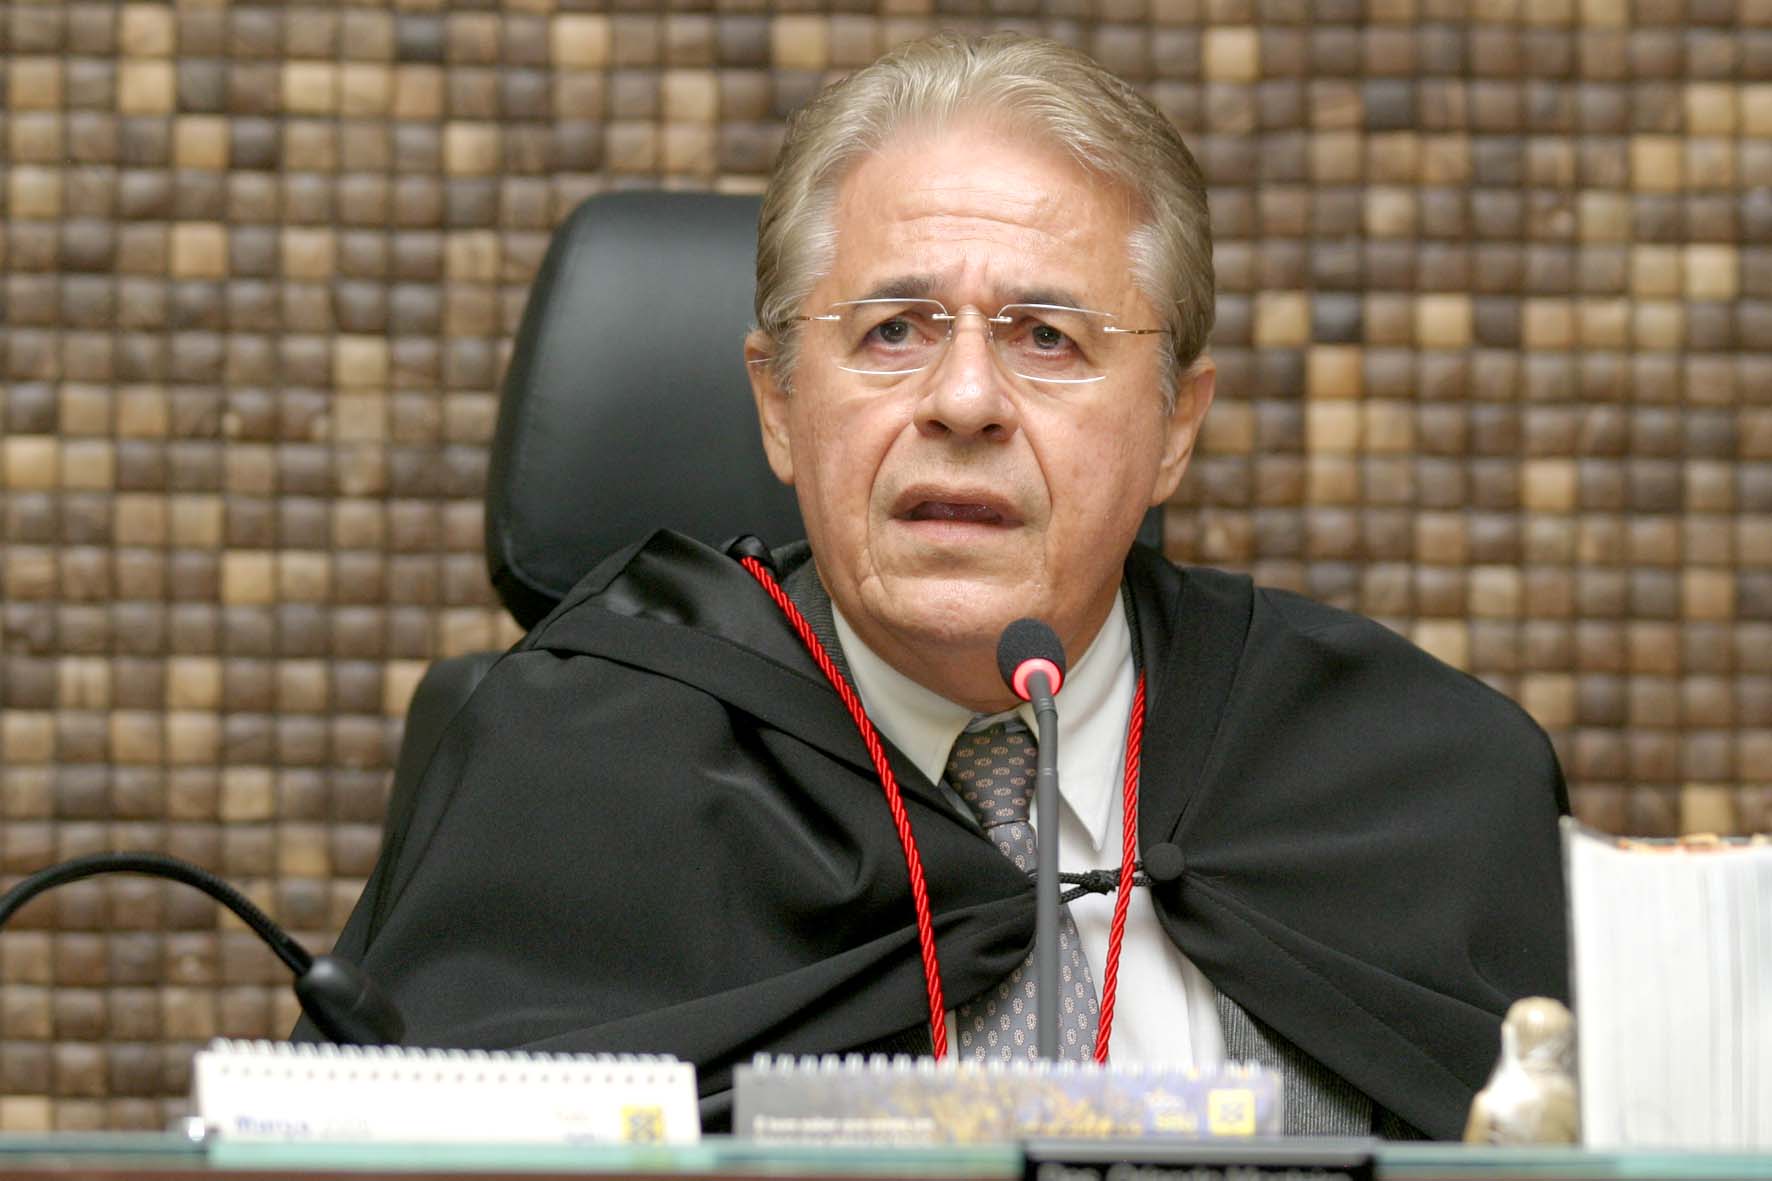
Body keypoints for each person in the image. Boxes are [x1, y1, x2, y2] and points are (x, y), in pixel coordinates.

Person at [299, 33, 1569, 1140]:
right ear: (778, 404)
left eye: (1046, 337)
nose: (963, 400)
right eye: (892, 330)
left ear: (1175, 426)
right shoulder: (569, 773)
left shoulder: (1413, 786)